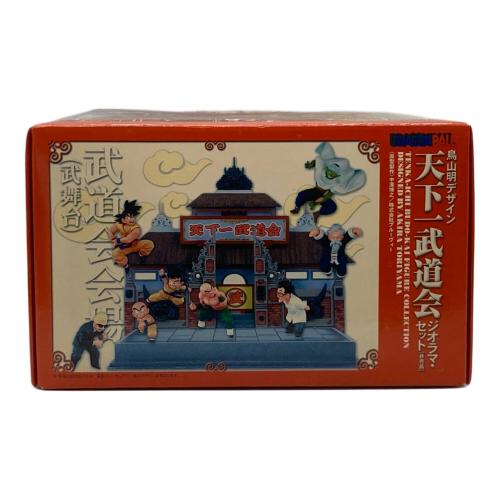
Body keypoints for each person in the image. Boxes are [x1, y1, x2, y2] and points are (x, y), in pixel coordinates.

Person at [291, 142, 366, 223]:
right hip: (315, 191)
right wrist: (310, 165)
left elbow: (331, 192)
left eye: (333, 174)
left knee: (332, 207)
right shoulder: (320, 171)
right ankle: (297, 207)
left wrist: (323, 199)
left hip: (324, 194)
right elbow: (318, 162)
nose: (329, 175)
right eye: (329, 171)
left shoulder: (336, 184)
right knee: (302, 195)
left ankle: (317, 214)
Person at [106, 200, 154, 271]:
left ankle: (141, 254)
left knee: (149, 244)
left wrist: (117, 240)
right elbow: (109, 231)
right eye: (129, 217)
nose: (132, 219)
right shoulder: (118, 225)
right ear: (123, 219)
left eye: (133, 217)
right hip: (125, 247)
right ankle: (126, 266)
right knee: (115, 254)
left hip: (136, 245)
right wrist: (112, 239)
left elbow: (128, 239)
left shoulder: (136, 228)